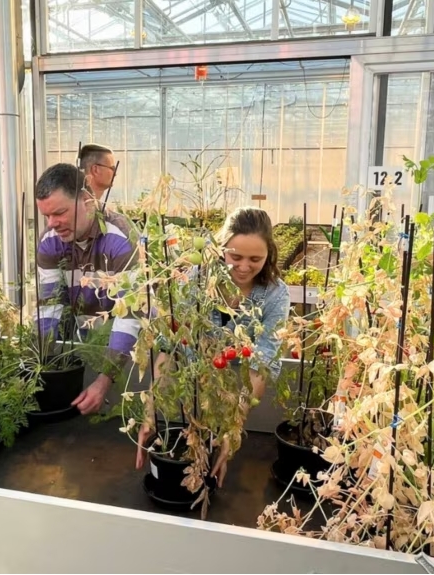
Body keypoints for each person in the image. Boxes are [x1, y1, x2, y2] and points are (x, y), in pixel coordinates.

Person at [134, 207, 290, 487]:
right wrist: (151, 412)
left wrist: (233, 429)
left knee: (214, 460)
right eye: (235, 256)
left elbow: (261, 364)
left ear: (269, 255)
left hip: (235, 401)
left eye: (256, 259)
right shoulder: (195, 280)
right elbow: (169, 348)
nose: (243, 266)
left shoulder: (275, 294)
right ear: (220, 249)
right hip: (188, 395)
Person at [34, 162, 140, 415]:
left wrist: (104, 380)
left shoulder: (121, 239)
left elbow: (131, 316)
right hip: (84, 338)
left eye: (59, 213)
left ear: (87, 200)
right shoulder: (50, 243)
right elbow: (50, 306)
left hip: (128, 346)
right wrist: (42, 361)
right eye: (46, 216)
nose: (52, 224)